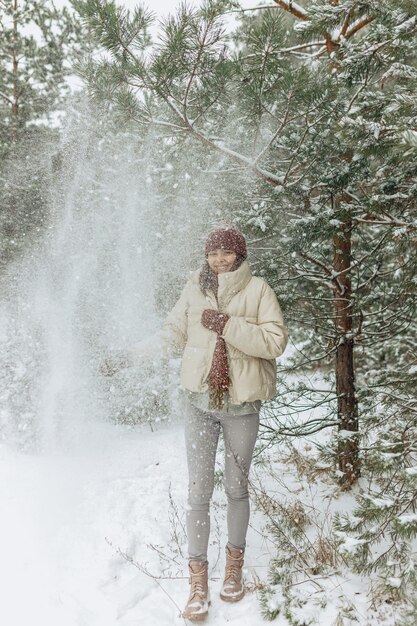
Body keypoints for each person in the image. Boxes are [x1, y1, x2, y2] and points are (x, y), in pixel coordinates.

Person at [101, 226, 288, 621]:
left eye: (227, 253)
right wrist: (128, 358)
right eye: (213, 253)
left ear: (239, 255)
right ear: (206, 256)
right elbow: (171, 335)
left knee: (237, 489)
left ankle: (233, 569)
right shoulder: (194, 289)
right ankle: (198, 582)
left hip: (241, 405)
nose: (219, 259)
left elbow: (274, 343)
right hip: (199, 403)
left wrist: (227, 325)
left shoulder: (258, 290)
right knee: (198, 492)